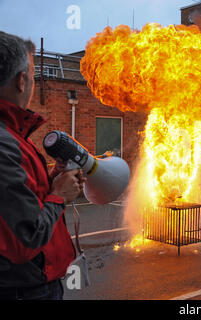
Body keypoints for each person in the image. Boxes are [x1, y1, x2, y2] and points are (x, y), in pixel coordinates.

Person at [0, 32, 84, 300]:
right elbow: (27, 237)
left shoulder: (11, 136)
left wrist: (50, 181)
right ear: (22, 80)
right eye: (34, 74)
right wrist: (58, 195)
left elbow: (12, 203)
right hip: (24, 289)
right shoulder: (5, 144)